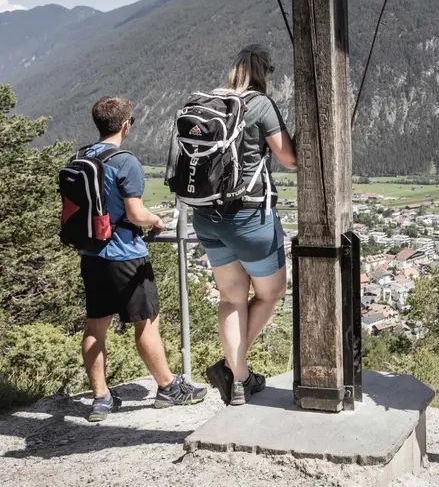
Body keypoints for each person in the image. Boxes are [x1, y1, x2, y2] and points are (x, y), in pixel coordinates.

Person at [80, 97, 207, 422]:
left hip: (91, 254)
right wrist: (157, 221)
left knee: (96, 325)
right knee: (146, 321)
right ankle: (167, 387)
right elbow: (135, 213)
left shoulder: (82, 156)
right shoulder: (125, 161)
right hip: (125, 255)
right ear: (126, 125)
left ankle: (101, 398)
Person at [193, 45, 296, 406]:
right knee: (271, 292)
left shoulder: (212, 103)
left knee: (231, 297)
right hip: (248, 216)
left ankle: (240, 381)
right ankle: (229, 368)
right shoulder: (259, 104)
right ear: (265, 72)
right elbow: (289, 158)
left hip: (206, 217)